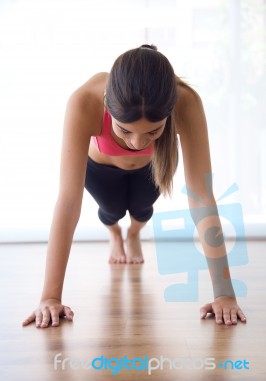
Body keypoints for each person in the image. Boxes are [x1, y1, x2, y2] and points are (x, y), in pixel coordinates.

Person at [22, 44, 247, 329]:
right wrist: (50, 297)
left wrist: (225, 294)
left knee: (142, 210)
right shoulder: (84, 101)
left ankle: (133, 234)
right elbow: (68, 201)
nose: (137, 143)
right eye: (124, 130)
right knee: (111, 209)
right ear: (107, 102)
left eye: (153, 131)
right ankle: (115, 233)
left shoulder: (186, 102)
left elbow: (202, 196)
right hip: (101, 169)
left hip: (150, 168)